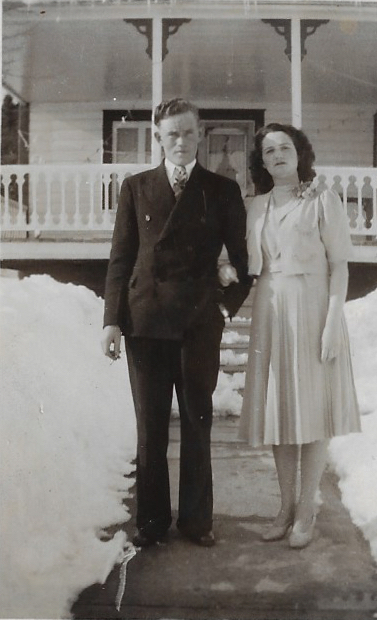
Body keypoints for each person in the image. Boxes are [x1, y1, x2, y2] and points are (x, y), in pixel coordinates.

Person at [101, 98, 251, 548]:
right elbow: (120, 257)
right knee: (149, 427)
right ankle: (150, 522)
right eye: (172, 134)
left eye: (188, 132)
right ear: (158, 138)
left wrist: (226, 307)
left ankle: (196, 521)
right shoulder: (136, 186)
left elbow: (243, 261)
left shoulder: (221, 190)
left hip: (197, 323)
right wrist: (111, 320)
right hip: (144, 320)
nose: (181, 142)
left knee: (196, 422)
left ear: (200, 133)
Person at [238, 123, 361, 548]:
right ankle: (285, 505)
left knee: (312, 411)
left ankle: (308, 506)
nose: (276, 155)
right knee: (279, 412)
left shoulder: (323, 200)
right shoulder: (255, 207)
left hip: (312, 309)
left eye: (284, 147)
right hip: (270, 309)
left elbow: (340, 265)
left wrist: (332, 322)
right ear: (262, 161)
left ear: (299, 153)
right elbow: (240, 259)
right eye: (268, 150)